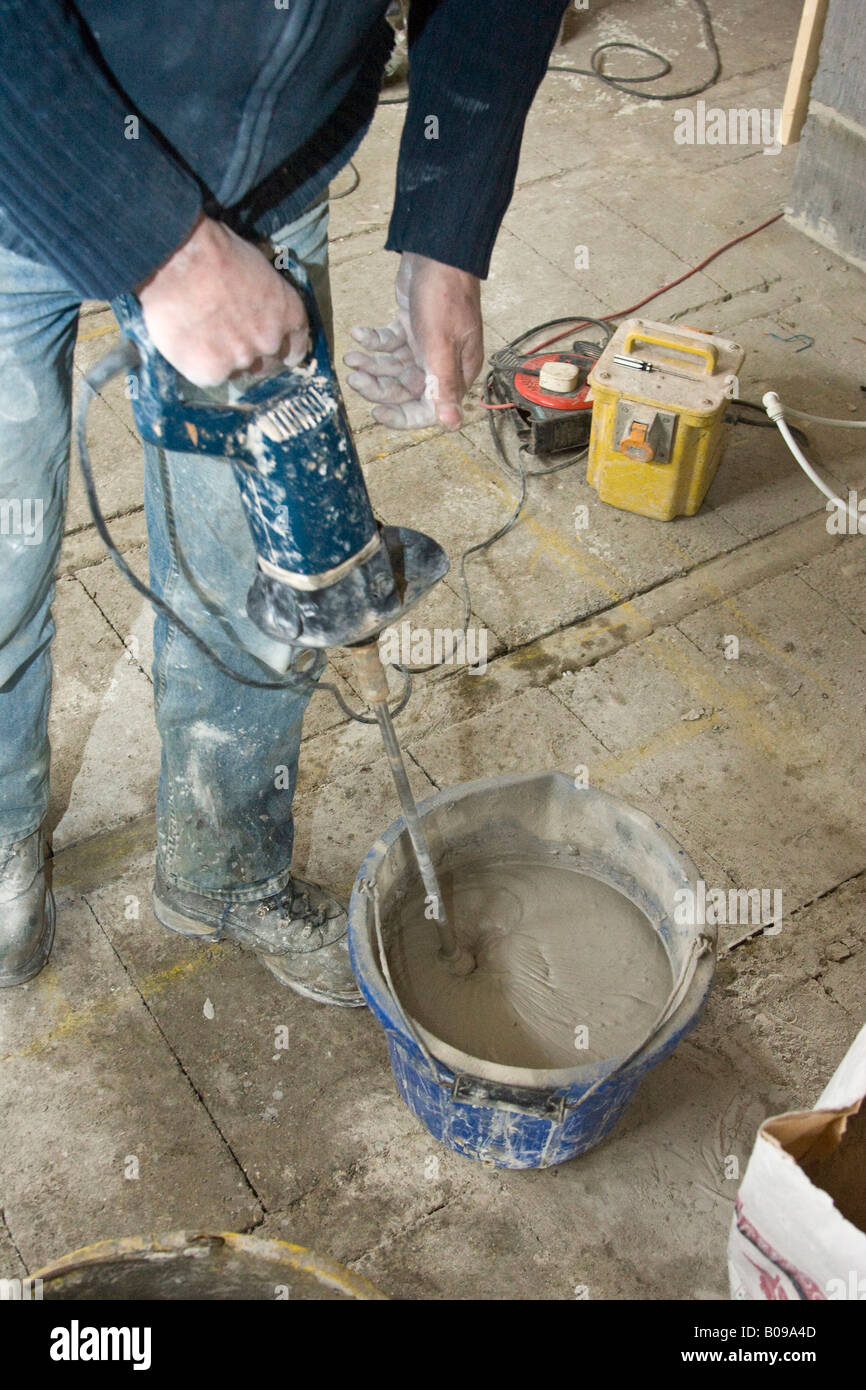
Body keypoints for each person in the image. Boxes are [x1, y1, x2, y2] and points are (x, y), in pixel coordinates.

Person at [0, 0, 568, 999]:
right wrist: (160, 248)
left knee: (263, 587)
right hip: (15, 146)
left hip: (264, 181)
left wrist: (446, 230)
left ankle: (222, 872)